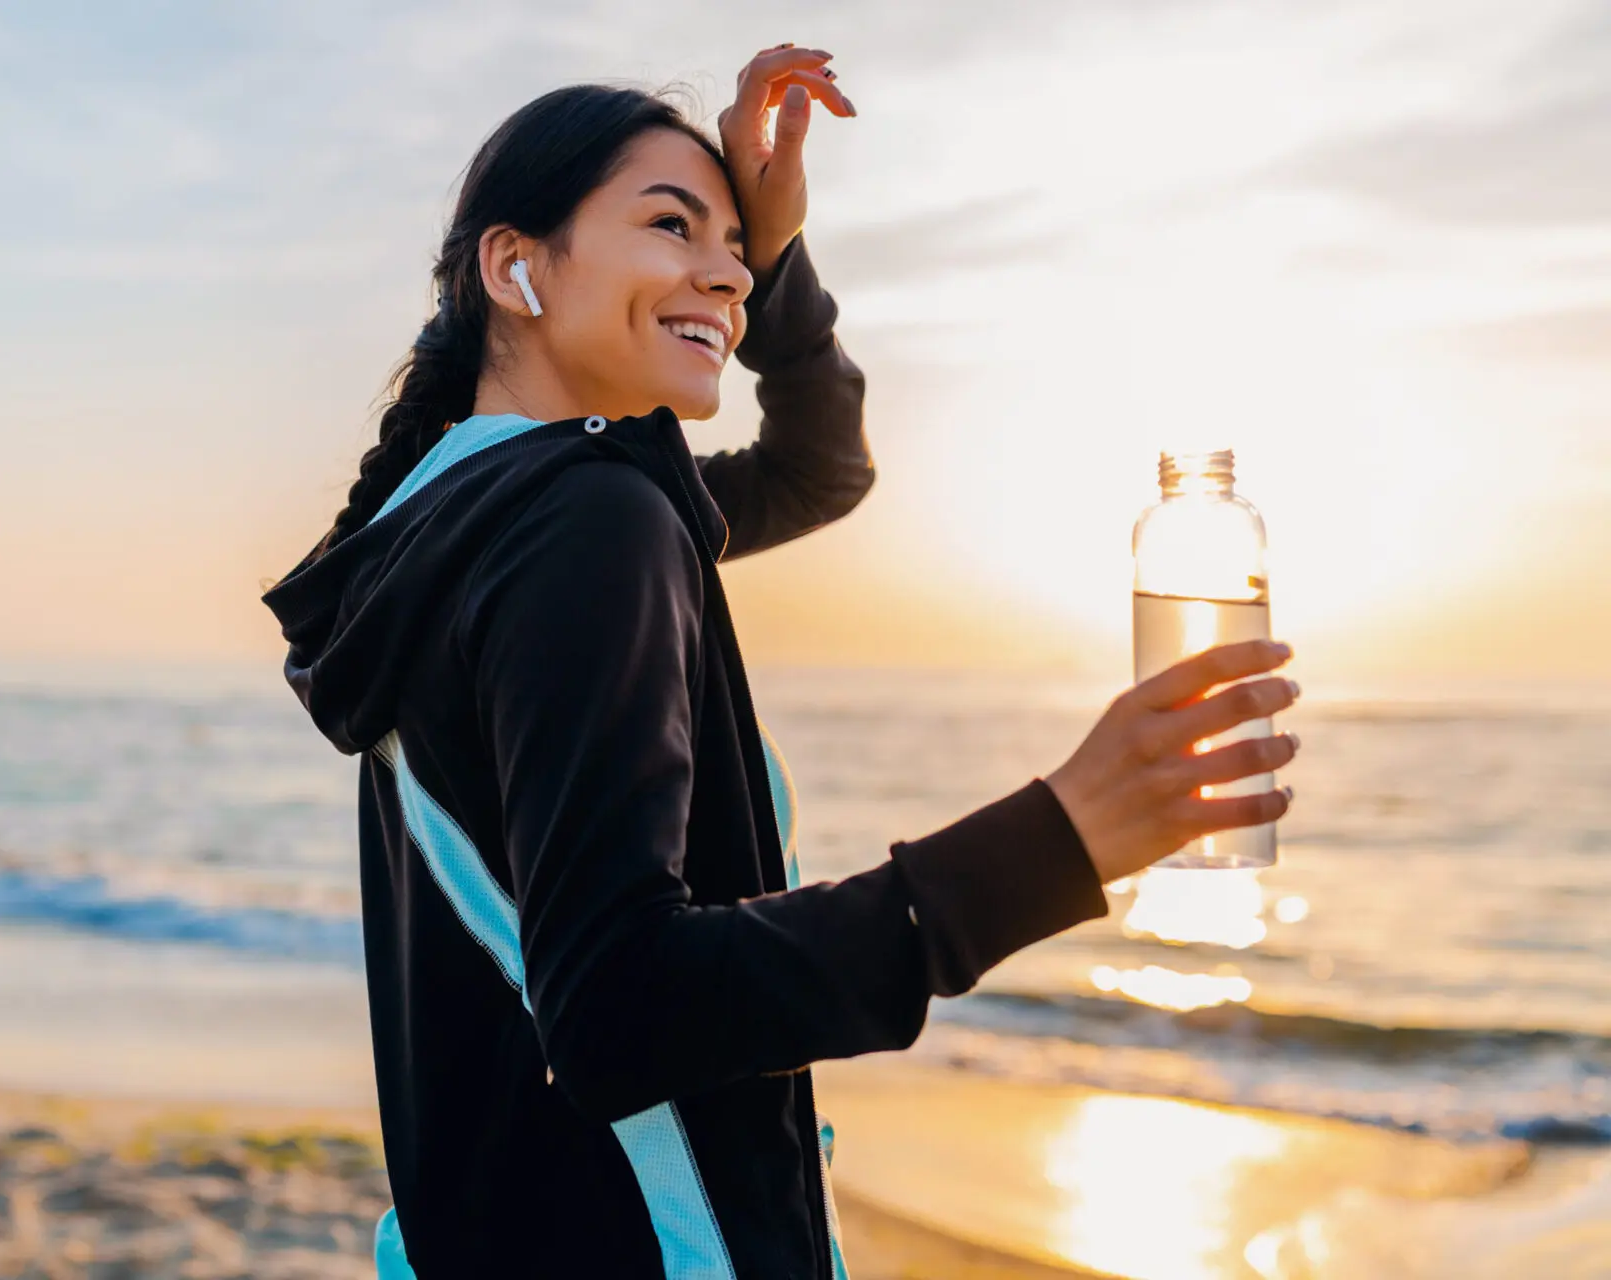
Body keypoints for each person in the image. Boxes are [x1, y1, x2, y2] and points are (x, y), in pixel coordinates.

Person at [261, 44, 1300, 1280]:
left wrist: (781, 247)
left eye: (736, 248)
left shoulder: (452, 523)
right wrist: (1054, 841)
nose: (727, 273)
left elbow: (818, 469)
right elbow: (621, 1006)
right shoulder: (586, 521)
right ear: (515, 265)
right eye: (671, 224)